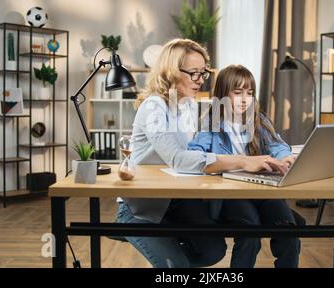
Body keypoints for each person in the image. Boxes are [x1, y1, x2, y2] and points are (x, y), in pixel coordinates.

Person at [115, 39, 287, 268]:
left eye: (202, 73)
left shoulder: (186, 105)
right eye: (193, 73)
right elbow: (178, 159)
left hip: (175, 203)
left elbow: (196, 151)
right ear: (171, 71)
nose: (199, 80)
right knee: (176, 268)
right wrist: (243, 161)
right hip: (144, 209)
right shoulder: (153, 106)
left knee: (213, 252)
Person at [188, 64, 301, 268]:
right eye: (237, 92)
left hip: (262, 189)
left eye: (249, 93)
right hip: (231, 195)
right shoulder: (211, 124)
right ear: (222, 94)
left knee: (289, 232)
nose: (244, 99)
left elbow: (278, 145)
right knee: (250, 235)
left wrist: (285, 159)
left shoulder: (259, 120)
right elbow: (194, 154)